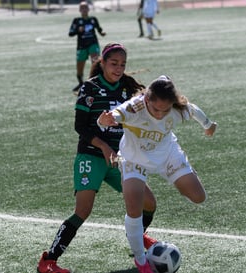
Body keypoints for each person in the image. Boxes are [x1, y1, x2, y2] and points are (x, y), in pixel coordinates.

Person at [37, 43, 157, 273]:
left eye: (122, 64)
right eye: (114, 63)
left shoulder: (126, 88)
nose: (119, 68)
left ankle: (138, 241)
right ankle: (48, 261)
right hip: (91, 156)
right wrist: (103, 147)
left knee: (149, 203)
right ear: (102, 63)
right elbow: (80, 126)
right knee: (83, 210)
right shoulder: (89, 88)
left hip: (117, 158)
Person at [97, 75, 217, 273]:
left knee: (199, 197)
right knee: (134, 210)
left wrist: (208, 125)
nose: (160, 115)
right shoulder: (134, 108)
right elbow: (115, 115)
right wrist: (105, 120)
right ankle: (141, 261)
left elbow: (193, 110)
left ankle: (183, 169)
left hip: (168, 155)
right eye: (155, 110)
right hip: (134, 161)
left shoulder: (177, 108)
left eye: (165, 110)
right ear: (146, 101)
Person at [68, 1, 106, 93]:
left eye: (86, 7)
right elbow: (70, 33)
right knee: (79, 68)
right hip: (81, 46)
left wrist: (102, 33)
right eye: (82, 8)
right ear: (80, 10)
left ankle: (97, 83)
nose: (84, 9)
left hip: (93, 43)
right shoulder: (76, 21)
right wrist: (78, 30)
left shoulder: (93, 19)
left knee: (96, 62)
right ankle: (81, 83)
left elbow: (99, 29)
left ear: (88, 9)